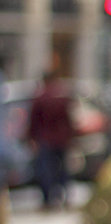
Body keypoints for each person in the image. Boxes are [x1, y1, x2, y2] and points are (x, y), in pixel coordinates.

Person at [28, 69, 75, 209]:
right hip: (62, 139)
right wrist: (71, 136)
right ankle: (64, 196)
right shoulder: (62, 97)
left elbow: (34, 121)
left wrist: (32, 138)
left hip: (46, 139)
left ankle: (48, 199)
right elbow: (69, 119)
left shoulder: (40, 98)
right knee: (63, 169)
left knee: (46, 170)